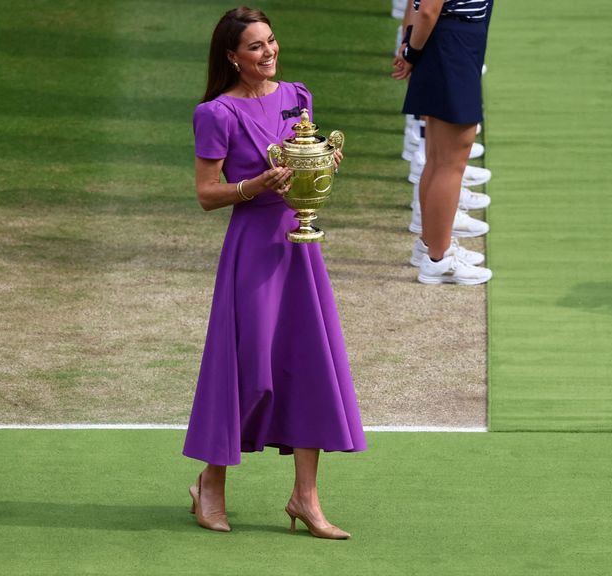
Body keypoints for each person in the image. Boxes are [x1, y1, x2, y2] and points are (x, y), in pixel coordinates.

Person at [182, 7, 367, 540]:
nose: (269, 53)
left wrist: (324, 167)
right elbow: (205, 195)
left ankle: (305, 498)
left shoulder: (298, 97)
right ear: (232, 57)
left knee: (307, 365)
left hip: (300, 248)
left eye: (271, 42)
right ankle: (211, 485)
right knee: (246, 369)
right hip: (252, 252)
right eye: (256, 47)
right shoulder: (215, 113)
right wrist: (256, 185)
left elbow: (310, 161)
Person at [392, 0, 493, 285]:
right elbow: (426, 8)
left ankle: (431, 245)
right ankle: (439, 259)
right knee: (450, 161)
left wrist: (409, 43)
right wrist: (411, 51)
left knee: (438, 159)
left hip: (447, 40)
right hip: (451, 42)